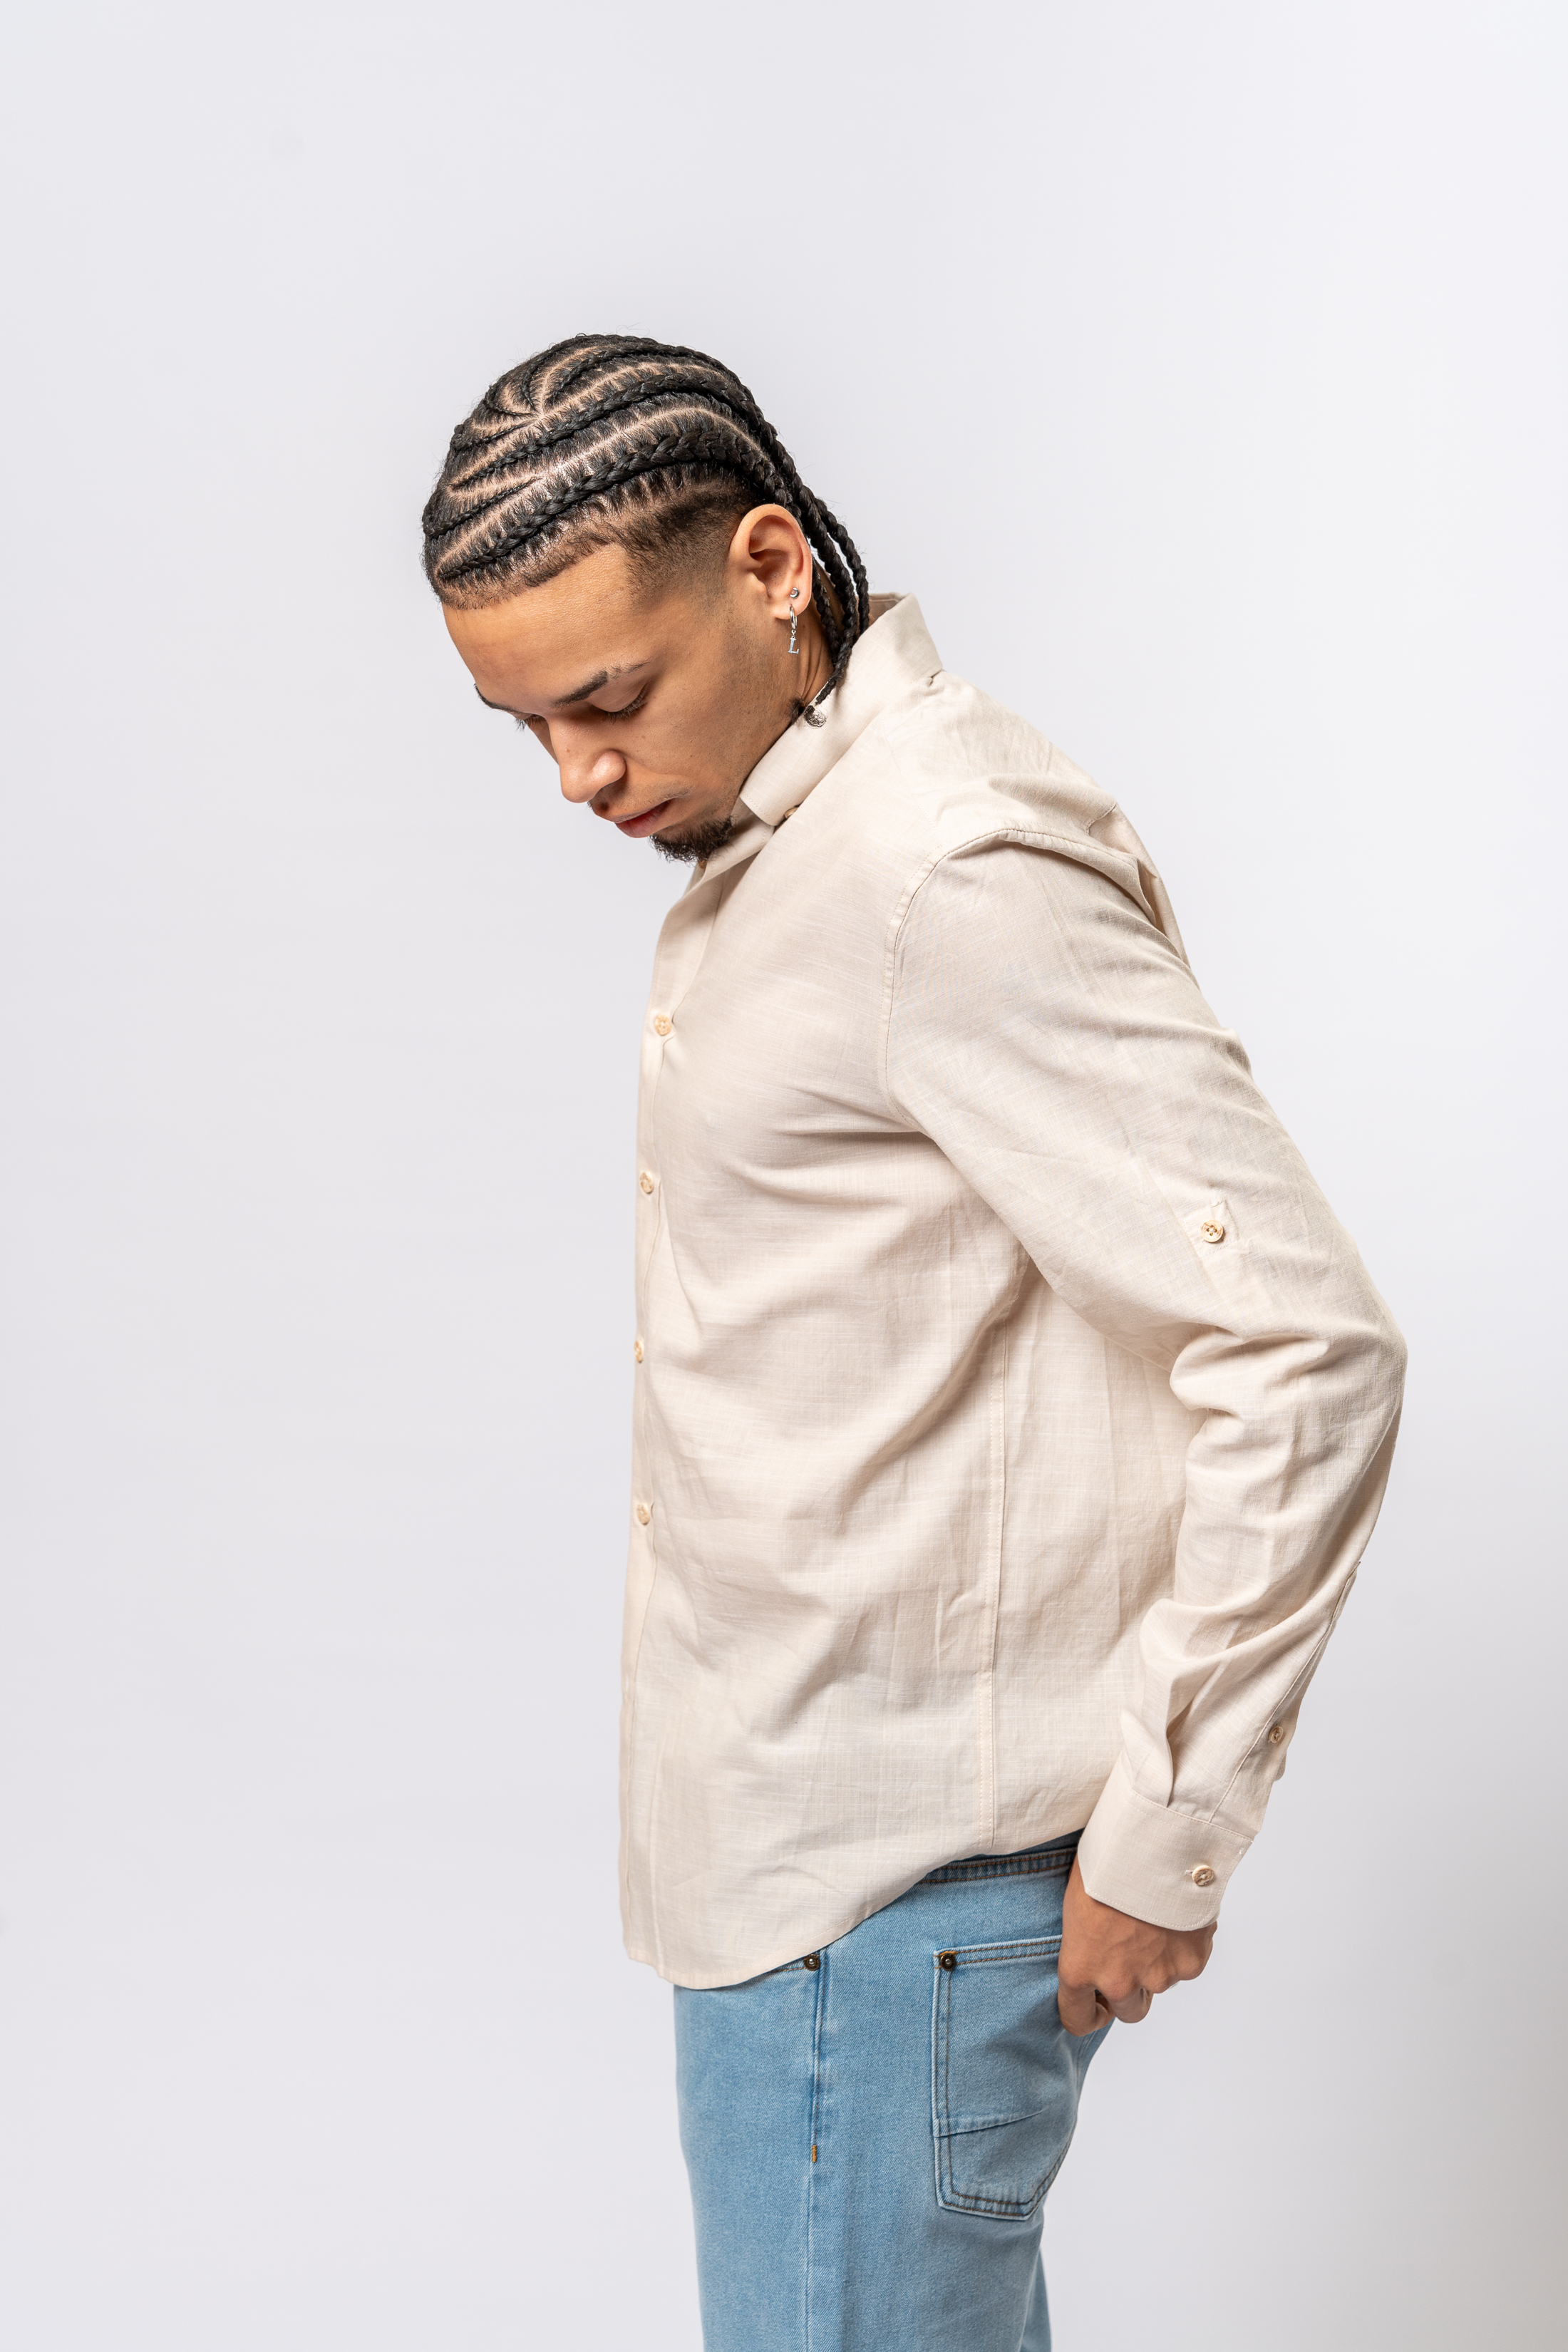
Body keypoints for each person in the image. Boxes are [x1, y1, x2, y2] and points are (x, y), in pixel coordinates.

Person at [421, 335, 1405, 2351]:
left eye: (609, 699)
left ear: (772, 566)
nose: (578, 776)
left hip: (889, 1913)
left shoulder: (938, 867)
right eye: (527, 726)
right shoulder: (799, 856)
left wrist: (1170, 1825)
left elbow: (1301, 1338)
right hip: (808, 1887)